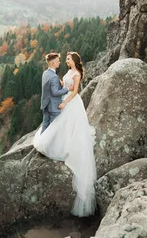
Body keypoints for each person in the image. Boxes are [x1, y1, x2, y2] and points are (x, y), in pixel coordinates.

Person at [33, 51, 97, 217]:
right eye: (65, 58)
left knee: (70, 124)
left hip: (72, 102)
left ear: (73, 60)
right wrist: (62, 84)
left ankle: (66, 145)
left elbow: (75, 91)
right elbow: (64, 85)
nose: (66, 60)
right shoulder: (69, 72)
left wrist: (64, 102)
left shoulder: (76, 73)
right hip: (65, 98)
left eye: (68, 58)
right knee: (62, 125)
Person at [39, 52, 68, 132]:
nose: (59, 62)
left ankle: (41, 143)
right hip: (54, 107)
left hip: (46, 105)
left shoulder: (45, 73)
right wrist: (67, 89)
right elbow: (55, 92)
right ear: (52, 63)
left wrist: (59, 84)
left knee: (45, 126)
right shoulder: (54, 76)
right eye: (58, 61)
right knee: (54, 130)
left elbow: (48, 87)